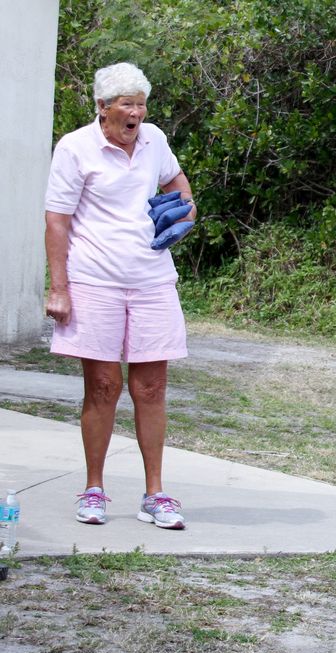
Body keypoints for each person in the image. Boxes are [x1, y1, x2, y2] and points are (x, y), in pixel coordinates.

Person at [43, 62, 196, 530]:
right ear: (103, 108)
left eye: (141, 104)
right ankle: (94, 489)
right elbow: (57, 220)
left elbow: (178, 185)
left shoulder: (155, 140)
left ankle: (155, 494)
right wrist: (59, 288)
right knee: (104, 387)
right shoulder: (75, 147)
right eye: (126, 104)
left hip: (151, 279)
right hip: (95, 280)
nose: (136, 114)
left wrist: (185, 216)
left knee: (151, 387)